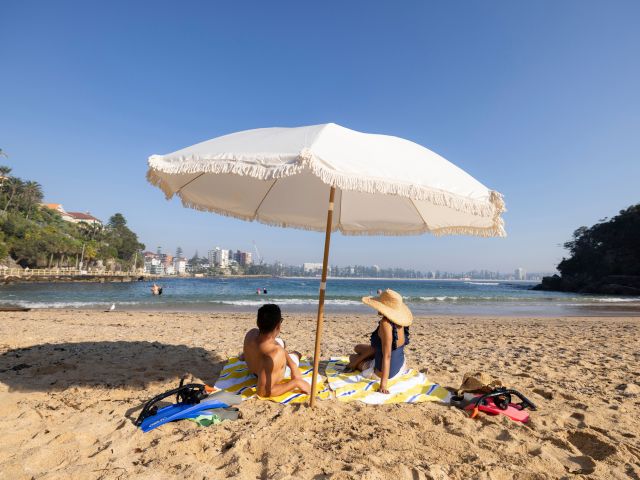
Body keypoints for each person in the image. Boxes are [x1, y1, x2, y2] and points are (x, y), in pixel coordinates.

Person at [346, 289, 411, 394]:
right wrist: (381, 295)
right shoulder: (400, 321)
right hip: (400, 365)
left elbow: (387, 356)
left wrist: (383, 385)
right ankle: (357, 362)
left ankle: (355, 363)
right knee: (357, 347)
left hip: (384, 373)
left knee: (352, 357)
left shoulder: (386, 324)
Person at [242, 304, 310, 397]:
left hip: (254, 369)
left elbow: (274, 345)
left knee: (279, 342)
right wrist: (296, 383)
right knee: (296, 354)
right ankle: (294, 355)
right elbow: (262, 392)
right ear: (278, 326)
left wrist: (293, 366)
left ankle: (289, 355)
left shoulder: (251, 334)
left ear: (258, 323)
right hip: (271, 372)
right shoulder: (275, 354)